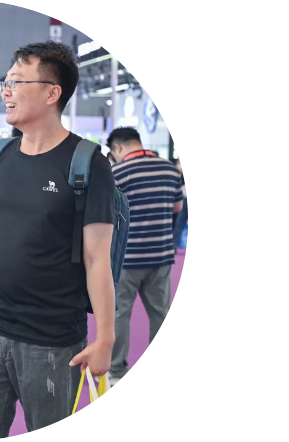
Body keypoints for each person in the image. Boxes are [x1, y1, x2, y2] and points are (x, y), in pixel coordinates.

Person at [0, 41, 117, 439]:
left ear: (52, 93)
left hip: (52, 343)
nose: (6, 91)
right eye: (6, 82)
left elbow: (97, 258)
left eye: (16, 82)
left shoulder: (87, 163)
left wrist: (106, 338)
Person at [106, 127, 183, 385]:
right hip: (161, 255)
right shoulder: (170, 169)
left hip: (127, 259)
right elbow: (177, 207)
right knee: (161, 314)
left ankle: (117, 370)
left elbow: (107, 213)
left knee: (120, 314)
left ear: (117, 148)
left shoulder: (117, 173)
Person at [172, 158, 188, 249]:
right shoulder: (178, 175)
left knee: (179, 223)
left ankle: (174, 245)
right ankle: (174, 245)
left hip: (184, 198)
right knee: (179, 223)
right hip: (184, 199)